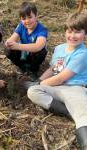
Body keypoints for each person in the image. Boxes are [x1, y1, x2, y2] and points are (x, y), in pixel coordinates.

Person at [27, 12, 87, 150]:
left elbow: (62, 77)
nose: (72, 36)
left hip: (74, 87)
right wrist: (39, 81)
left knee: (83, 115)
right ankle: (67, 111)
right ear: (65, 31)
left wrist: (42, 84)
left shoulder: (83, 54)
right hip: (57, 87)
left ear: (85, 34)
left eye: (77, 32)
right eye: (69, 31)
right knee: (33, 91)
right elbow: (55, 70)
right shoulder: (60, 49)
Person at [5, 2, 48, 80]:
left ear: (36, 15)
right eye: (24, 18)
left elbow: (38, 46)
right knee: (8, 50)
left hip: (33, 55)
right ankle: (22, 66)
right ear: (20, 19)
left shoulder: (41, 30)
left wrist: (18, 46)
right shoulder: (21, 26)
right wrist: (8, 42)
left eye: (29, 17)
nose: (27, 21)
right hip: (23, 54)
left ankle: (33, 70)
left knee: (41, 52)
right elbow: (13, 38)